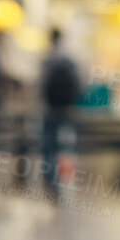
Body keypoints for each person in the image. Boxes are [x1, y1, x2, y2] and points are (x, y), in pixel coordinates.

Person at [39, 29, 81, 195]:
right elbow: (78, 84)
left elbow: (40, 86)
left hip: (50, 110)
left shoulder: (47, 60)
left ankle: (51, 180)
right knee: (66, 147)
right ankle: (66, 178)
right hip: (66, 109)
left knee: (49, 147)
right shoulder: (68, 60)